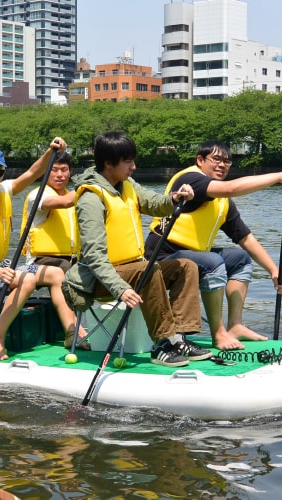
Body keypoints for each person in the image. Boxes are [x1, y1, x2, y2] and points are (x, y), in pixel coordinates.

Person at [63, 131, 212, 368]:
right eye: (128, 161)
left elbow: (153, 202)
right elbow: (93, 256)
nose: (134, 167)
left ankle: (179, 339)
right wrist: (120, 288)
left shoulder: (128, 184)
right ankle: (162, 344)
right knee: (148, 270)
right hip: (99, 279)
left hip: (134, 270)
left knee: (186, 266)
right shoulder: (91, 198)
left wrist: (175, 198)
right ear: (108, 164)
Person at [145, 139, 282, 350]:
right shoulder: (190, 179)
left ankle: (235, 325)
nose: (222, 165)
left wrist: (274, 270)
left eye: (227, 161)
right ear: (200, 160)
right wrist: (279, 176)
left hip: (193, 258)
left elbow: (246, 238)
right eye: (216, 159)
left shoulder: (223, 203)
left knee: (240, 259)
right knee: (213, 261)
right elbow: (230, 188)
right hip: (161, 258)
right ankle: (218, 334)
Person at [0, 142, 89, 360]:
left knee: (57, 274)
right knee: (26, 280)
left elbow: (33, 171)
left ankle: (71, 332)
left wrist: (50, 151)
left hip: (1, 265)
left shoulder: (4, 189)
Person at [21, 150, 89, 350]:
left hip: (69, 260)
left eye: (64, 170)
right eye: (54, 170)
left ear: (70, 172)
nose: (60, 175)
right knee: (63, 270)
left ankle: (96, 327)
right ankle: (72, 331)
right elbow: (65, 202)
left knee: (95, 268)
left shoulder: (71, 195)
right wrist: (93, 185)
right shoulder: (38, 195)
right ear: (45, 173)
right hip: (37, 263)